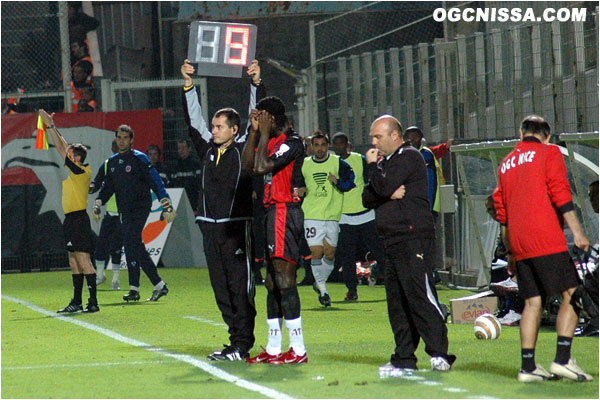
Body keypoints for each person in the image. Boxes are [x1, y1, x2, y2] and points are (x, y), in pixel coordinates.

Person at [492, 115, 592, 382]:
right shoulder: (548, 154)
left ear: (521, 133)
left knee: (532, 302)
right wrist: (579, 233)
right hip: (546, 238)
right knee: (574, 294)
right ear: (547, 136)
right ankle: (562, 360)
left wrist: (511, 252)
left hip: (520, 243)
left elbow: (503, 213)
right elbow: (560, 193)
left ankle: (528, 367)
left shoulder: (506, 164)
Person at [181, 59, 264, 361]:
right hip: (210, 229)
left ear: (234, 129)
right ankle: (235, 342)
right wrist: (189, 86)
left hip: (235, 229)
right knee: (221, 290)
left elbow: (258, 118)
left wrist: (255, 84)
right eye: (213, 126)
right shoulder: (207, 150)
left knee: (239, 288)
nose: (213, 130)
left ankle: (243, 343)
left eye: (219, 126)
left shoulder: (244, 147)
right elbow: (193, 123)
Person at [362, 115, 455, 377]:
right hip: (392, 239)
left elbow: (379, 186)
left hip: (413, 236)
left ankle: (439, 353)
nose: (373, 143)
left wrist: (375, 173)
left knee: (420, 295)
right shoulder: (388, 163)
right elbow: (367, 196)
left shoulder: (409, 156)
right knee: (398, 302)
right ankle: (403, 358)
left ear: (394, 135)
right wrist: (385, 191)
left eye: (377, 137)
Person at [241, 96, 308, 364]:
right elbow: (247, 165)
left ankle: (299, 349)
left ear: (274, 118)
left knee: (284, 279)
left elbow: (261, 167)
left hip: (284, 212)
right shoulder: (268, 141)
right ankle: (272, 348)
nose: (260, 120)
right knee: (270, 282)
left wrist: (265, 131)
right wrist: (255, 133)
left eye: (263, 116)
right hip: (271, 213)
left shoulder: (292, 143)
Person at [93, 125, 176, 302]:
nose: (122, 140)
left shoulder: (139, 158)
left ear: (131, 140)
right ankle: (159, 285)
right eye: (119, 137)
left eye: (125, 138)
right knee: (135, 245)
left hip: (140, 207)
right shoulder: (113, 162)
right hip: (125, 210)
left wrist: (165, 202)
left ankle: (134, 289)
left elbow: (155, 181)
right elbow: (108, 187)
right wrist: (99, 202)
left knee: (130, 241)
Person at [38, 109, 99, 313]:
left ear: (77, 159)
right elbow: (65, 147)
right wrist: (54, 126)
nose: (68, 156)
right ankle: (77, 302)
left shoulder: (82, 172)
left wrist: (50, 127)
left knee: (83, 260)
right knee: (73, 261)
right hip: (71, 220)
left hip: (79, 220)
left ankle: (93, 302)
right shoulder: (77, 170)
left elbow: (62, 150)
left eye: (72, 155)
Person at [301, 133, 355, 306]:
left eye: (323, 145)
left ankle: (319, 282)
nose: (319, 148)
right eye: (316, 145)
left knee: (330, 254)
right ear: (311, 147)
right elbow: (295, 183)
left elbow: (350, 182)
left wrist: (338, 182)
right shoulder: (304, 165)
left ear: (327, 146)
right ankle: (323, 291)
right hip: (311, 215)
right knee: (317, 252)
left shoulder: (337, 162)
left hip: (332, 216)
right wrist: (298, 190)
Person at [331, 132, 384, 301]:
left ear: (347, 144)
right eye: (335, 144)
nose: (338, 147)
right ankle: (351, 290)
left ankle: (393, 284)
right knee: (347, 257)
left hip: (366, 215)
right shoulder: (330, 163)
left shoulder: (360, 159)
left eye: (341, 143)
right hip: (344, 217)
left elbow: (371, 179)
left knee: (379, 252)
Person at [89, 139, 123, 290]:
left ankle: (115, 279)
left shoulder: (130, 165)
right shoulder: (108, 164)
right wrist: (89, 188)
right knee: (101, 244)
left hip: (123, 213)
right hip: (110, 213)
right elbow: (96, 182)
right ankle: (100, 275)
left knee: (116, 246)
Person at [169, 139, 201, 213]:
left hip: (193, 203)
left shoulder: (196, 165)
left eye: (183, 148)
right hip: (179, 202)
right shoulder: (175, 166)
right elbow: (172, 185)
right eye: (179, 148)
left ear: (189, 149)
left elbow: (199, 185)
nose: (181, 151)